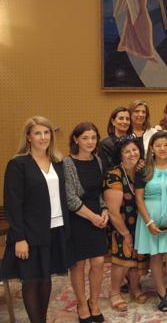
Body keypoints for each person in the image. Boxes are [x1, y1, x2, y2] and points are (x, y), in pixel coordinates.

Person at [0, 116, 73, 323]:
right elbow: (13, 204)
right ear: (28, 137)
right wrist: (19, 237)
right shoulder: (18, 164)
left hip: (55, 229)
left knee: (46, 278)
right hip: (30, 233)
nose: (43, 137)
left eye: (46, 132)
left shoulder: (57, 162)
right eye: (38, 133)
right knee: (31, 281)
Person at [134, 131, 167, 312]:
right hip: (150, 219)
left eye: (166, 145)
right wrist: (149, 222)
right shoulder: (143, 169)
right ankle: (161, 292)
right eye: (158, 145)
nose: (162, 148)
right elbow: (139, 198)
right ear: (151, 148)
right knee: (155, 256)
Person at [63, 122, 109, 322]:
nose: (90, 142)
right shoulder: (67, 163)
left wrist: (105, 210)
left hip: (98, 215)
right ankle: (82, 305)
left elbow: (99, 192)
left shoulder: (98, 160)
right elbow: (71, 198)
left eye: (93, 138)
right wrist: (93, 217)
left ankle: (94, 302)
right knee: (79, 265)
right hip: (78, 217)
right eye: (85, 138)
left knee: (98, 262)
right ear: (76, 139)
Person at [104, 137, 149, 311]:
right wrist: (125, 233)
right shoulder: (114, 175)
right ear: (120, 155)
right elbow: (113, 211)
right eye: (127, 151)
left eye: (135, 150)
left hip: (140, 224)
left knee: (137, 259)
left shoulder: (142, 172)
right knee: (122, 260)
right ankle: (115, 292)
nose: (132, 154)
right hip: (120, 226)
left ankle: (135, 288)